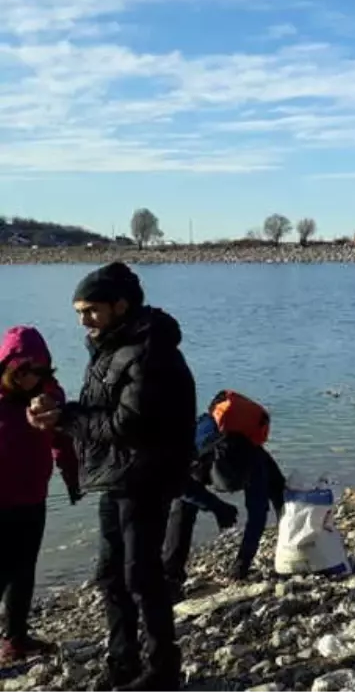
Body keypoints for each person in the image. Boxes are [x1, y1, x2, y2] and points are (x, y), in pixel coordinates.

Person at [27, 263, 194, 692]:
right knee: (110, 575)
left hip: (146, 478)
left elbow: (127, 424)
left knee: (141, 574)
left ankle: (162, 670)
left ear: (121, 305)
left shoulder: (150, 351)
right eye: (79, 311)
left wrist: (67, 418)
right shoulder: (111, 345)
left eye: (91, 310)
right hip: (115, 476)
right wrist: (57, 412)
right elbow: (99, 408)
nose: (83, 320)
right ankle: (122, 661)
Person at [0, 327, 81, 664]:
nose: (30, 378)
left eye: (38, 370)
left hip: (33, 497)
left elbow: (64, 441)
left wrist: (72, 478)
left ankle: (15, 639)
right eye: (22, 371)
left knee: (24, 570)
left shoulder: (52, 397)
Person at [163, 392, 286, 600]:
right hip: (204, 453)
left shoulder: (256, 462)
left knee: (281, 494)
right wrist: (215, 505)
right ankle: (171, 577)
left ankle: (293, 547)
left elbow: (257, 515)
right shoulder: (193, 450)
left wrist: (243, 562)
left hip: (243, 452)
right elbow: (175, 485)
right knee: (182, 509)